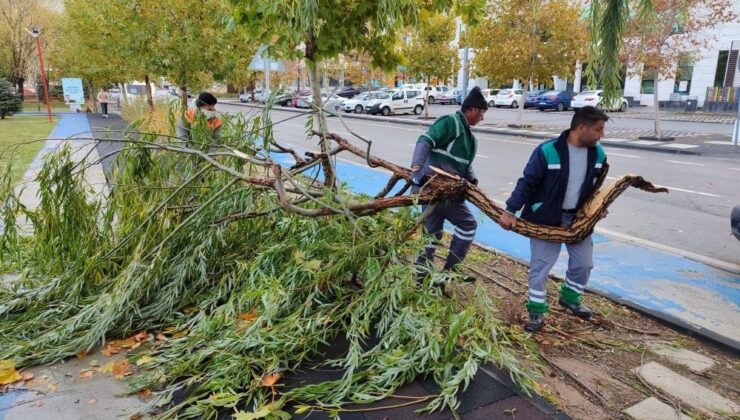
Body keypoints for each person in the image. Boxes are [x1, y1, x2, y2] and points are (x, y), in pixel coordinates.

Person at [500, 106, 609, 333]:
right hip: (546, 217)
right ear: (581, 127)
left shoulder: (598, 154)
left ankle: (570, 297)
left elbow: (597, 187)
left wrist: (599, 208)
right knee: (541, 267)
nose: (601, 135)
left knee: (584, 263)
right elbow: (527, 182)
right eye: (598, 130)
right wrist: (510, 211)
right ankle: (536, 311)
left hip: (578, 219)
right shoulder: (548, 151)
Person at [410, 86, 488, 283]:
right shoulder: (451, 123)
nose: (483, 118)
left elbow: (463, 165)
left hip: (446, 191)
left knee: (431, 234)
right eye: (482, 113)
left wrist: (473, 181)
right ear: (472, 110)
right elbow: (424, 140)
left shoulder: (470, 138)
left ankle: (422, 277)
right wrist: (416, 171)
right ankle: (447, 274)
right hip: (437, 188)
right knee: (468, 224)